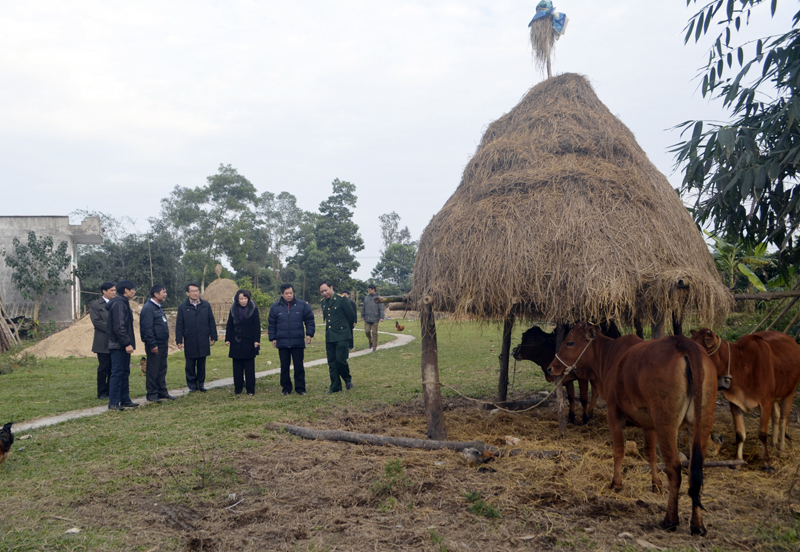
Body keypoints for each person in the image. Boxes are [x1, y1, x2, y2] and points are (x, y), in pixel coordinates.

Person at [268, 284, 315, 396]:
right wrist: (273, 338)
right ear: (282, 294)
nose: (289, 295)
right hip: (282, 342)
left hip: (297, 341)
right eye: (286, 293)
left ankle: (300, 388)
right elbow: (272, 324)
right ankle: (286, 388)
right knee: (284, 366)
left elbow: (309, 320)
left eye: (291, 293)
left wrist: (309, 334)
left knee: (299, 366)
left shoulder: (302, 305)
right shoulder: (275, 307)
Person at [175, 283, 217, 392]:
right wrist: (179, 340)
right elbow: (179, 325)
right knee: (190, 364)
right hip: (190, 339)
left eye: (197, 291)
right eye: (192, 291)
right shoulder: (183, 307)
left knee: (201, 363)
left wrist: (213, 335)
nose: (195, 293)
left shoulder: (205, 305)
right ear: (187, 293)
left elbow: (211, 321)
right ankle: (192, 385)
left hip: (203, 338)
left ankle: (201, 383)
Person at [140, 284, 175, 402]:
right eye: (163, 292)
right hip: (155, 345)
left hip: (162, 343)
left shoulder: (158, 307)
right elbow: (147, 329)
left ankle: (162, 391)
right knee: (153, 369)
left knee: (162, 368)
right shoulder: (148, 308)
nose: (165, 294)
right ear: (156, 294)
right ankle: (151, 393)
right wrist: (152, 344)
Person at [106, 280, 138, 411]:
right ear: (126, 290)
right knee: (117, 373)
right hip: (118, 345)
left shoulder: (124, 303)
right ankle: (113, 402)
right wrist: (127, 343)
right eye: (133, 289)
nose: (134, 292)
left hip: (122, 344)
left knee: (125, 372)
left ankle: (125, 399)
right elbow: (119, 326)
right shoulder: (119, 304)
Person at [319, 281, 355, 394]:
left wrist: (346, 331)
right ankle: (335, 386)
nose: (324, 293)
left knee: (340, 360)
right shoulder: (323, 303)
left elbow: (351, 316)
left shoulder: (342, 299)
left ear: (331, 287)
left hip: (342, 335)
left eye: (326, 290)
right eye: (322, 292)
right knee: (332, 362)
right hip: (330, 336)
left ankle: (347, 379)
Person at [225, 289, 261, 395]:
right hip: (236, 341)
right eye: (241, 299)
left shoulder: (253, 309)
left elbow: (257, 325)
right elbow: (229, 325)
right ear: (237, 299)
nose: (244, 301)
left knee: (249, 367)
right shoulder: (233, 309)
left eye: (245, 298)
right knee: (237, 367)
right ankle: (238, 388)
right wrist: (227, 339)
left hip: (249, 340)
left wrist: (256, 340)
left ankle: (250, 389)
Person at [89, 281, 116, 399]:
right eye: (112, 290)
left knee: (113, 367)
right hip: (102, 340)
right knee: (103, 367)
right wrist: (113, 329)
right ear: (104, 291)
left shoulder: (117, 303)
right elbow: (97, 322)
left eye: (115, 290)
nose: (114, 292)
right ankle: (102, 392)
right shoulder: (95, 305)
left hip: (115, 341)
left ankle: (111, 390)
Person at [362, 284, 385, 352]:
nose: (368, 291)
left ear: (373, 290)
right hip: (367, 318)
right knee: (367, 331)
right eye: (368, 289)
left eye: (369, 289)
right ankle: (370, 341)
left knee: (374, 333)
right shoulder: (366, 298)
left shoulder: (379, 298)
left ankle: (374, 347)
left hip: (375, 318)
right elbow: (363, 308)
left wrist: (381, 317)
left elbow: (381, 308)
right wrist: (362, 316)